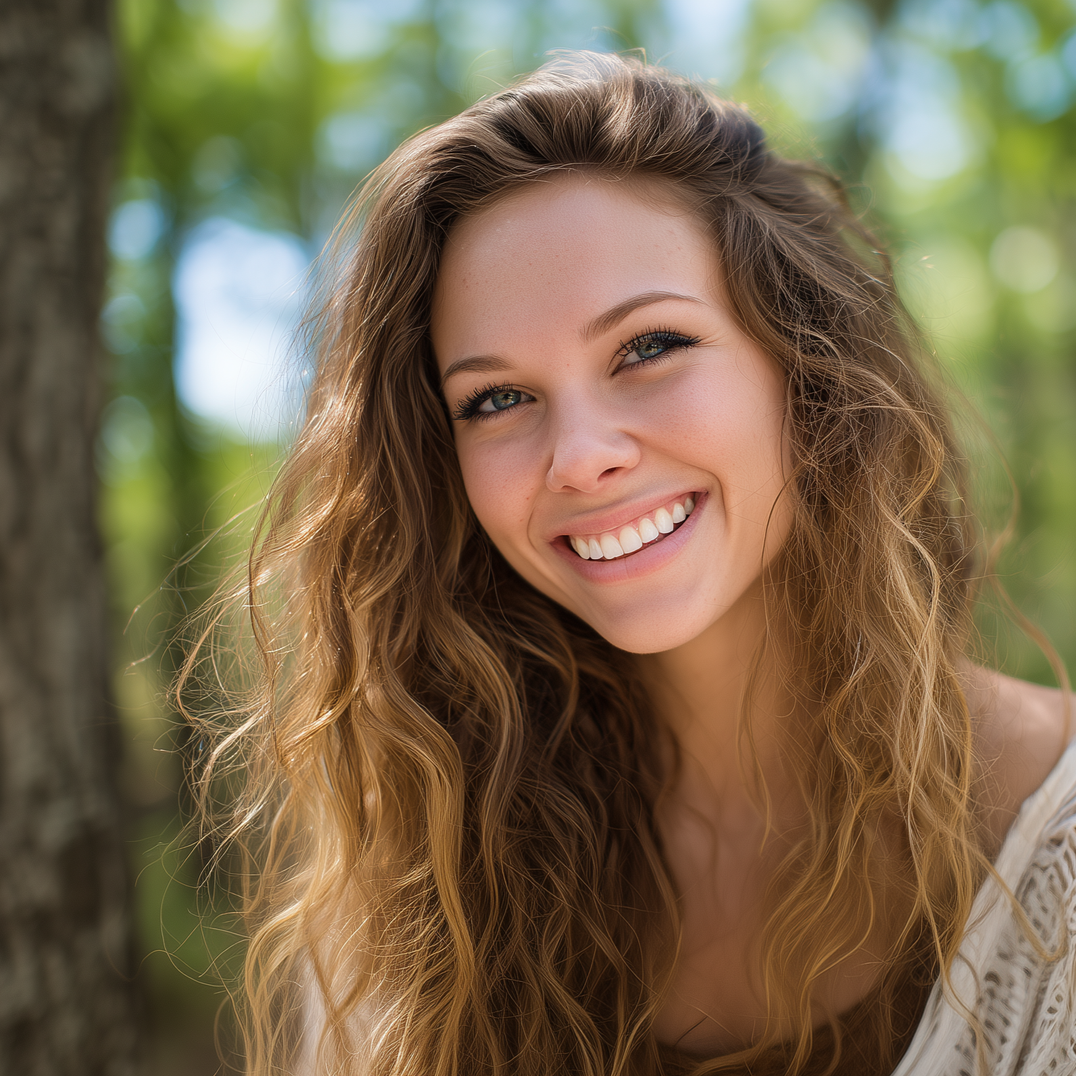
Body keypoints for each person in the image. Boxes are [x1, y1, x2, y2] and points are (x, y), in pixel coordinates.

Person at [187, 52, 1076, 1076]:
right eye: (496, 399)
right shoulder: (417, 879)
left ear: (803, 362)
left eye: (647, 346)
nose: (577, 454)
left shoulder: (1052, 849)